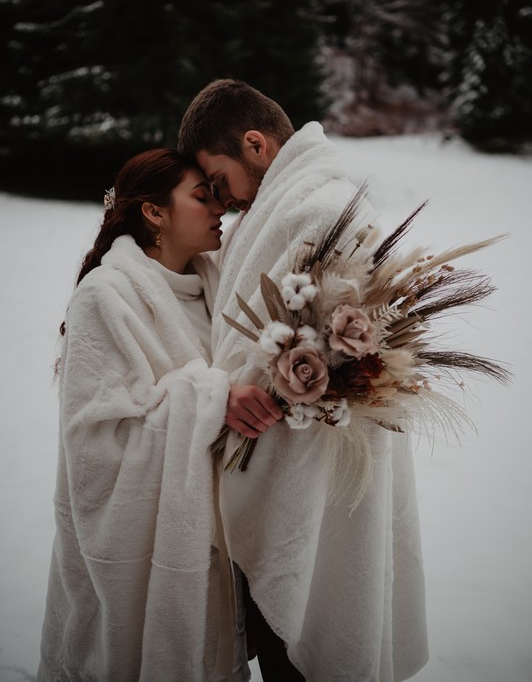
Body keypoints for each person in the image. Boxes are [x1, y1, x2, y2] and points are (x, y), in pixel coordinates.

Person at [177, 79, 429, 682]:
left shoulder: (319, 209)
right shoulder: (287, 208)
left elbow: (343, 341)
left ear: (256, 144)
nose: (222, 200)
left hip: (309, 467)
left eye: (219, 181)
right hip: (275, 457)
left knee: (307, 639)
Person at [36, 148, 283, 682]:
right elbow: (96, 440)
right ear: (154, 212)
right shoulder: (105, 297)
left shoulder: (219, 286)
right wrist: (214, 400)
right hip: (132, 560)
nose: (220, 207)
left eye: (218, 195)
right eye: (202, 196)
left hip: (219, 543)